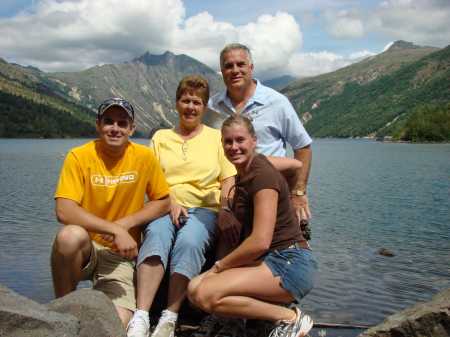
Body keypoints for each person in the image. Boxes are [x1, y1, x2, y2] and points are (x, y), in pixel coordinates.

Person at [126, 75, 236, 337]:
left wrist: (227, 210)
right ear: (176, 104)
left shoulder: (216, 138)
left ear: (204, 106)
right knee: (157, 235)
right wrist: (170, 201)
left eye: (197, 102)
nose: (190, 107)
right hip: (165, 205)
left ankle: (169, 316)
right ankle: (141, 315)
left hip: (203, 209)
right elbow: (150, 178)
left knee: (190, 241)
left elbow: (228, 179)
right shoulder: (161, 137)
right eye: (186, 100)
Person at [188, 115, 317, 337]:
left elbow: (260, 242)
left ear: (254, 141)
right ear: (222, 145)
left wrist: (217, 268)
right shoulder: (249, 170)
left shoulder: (262, 177)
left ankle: (292, 319)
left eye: (240, 140)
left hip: (289, 263)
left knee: (203, 293)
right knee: (194, 290)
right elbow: (295, 164)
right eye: (228, 142)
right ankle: (251, 323)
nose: (234, 147)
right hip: (272, 260)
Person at [51, 97, 171, 327]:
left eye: (122, 123)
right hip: (86, 248)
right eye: (108, 121)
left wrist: (126, 223)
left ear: (131, 128)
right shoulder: (79, 156)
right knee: (69, 236)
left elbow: (163, 201)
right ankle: (62, 312)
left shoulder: (144, 157)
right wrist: (114, 229)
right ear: (98, 125)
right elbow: (64, 210)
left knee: (115, 323)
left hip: (119, 255)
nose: (115, 128)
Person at [207, 43, 313, 223]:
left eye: (240, 64)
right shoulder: (212, 106)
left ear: (251, 68)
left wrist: (298, 192)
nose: (235, 70)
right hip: (228, 199)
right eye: (228, 66)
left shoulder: (276, 102)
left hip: (269, 193)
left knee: (270, 246)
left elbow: (303, 146)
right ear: (222, 71)